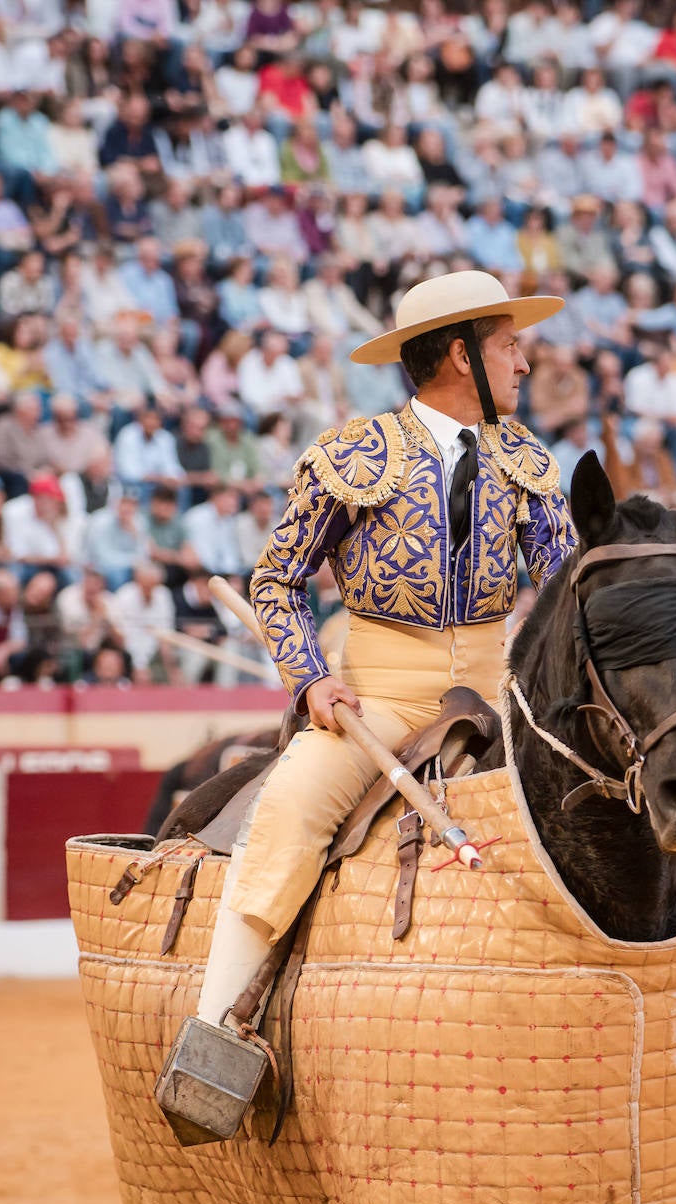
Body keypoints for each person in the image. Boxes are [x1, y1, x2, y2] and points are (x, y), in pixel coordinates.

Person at [196, 269, 574, 1026]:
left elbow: (568, 590)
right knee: (289, 814)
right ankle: (214, 1033)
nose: (525, 365)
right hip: (383, 698)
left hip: (501, 692)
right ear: (463, 355)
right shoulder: (353, 454)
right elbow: (275, 580)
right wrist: (309, 681)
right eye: (510, 347)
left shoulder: (525, 459)